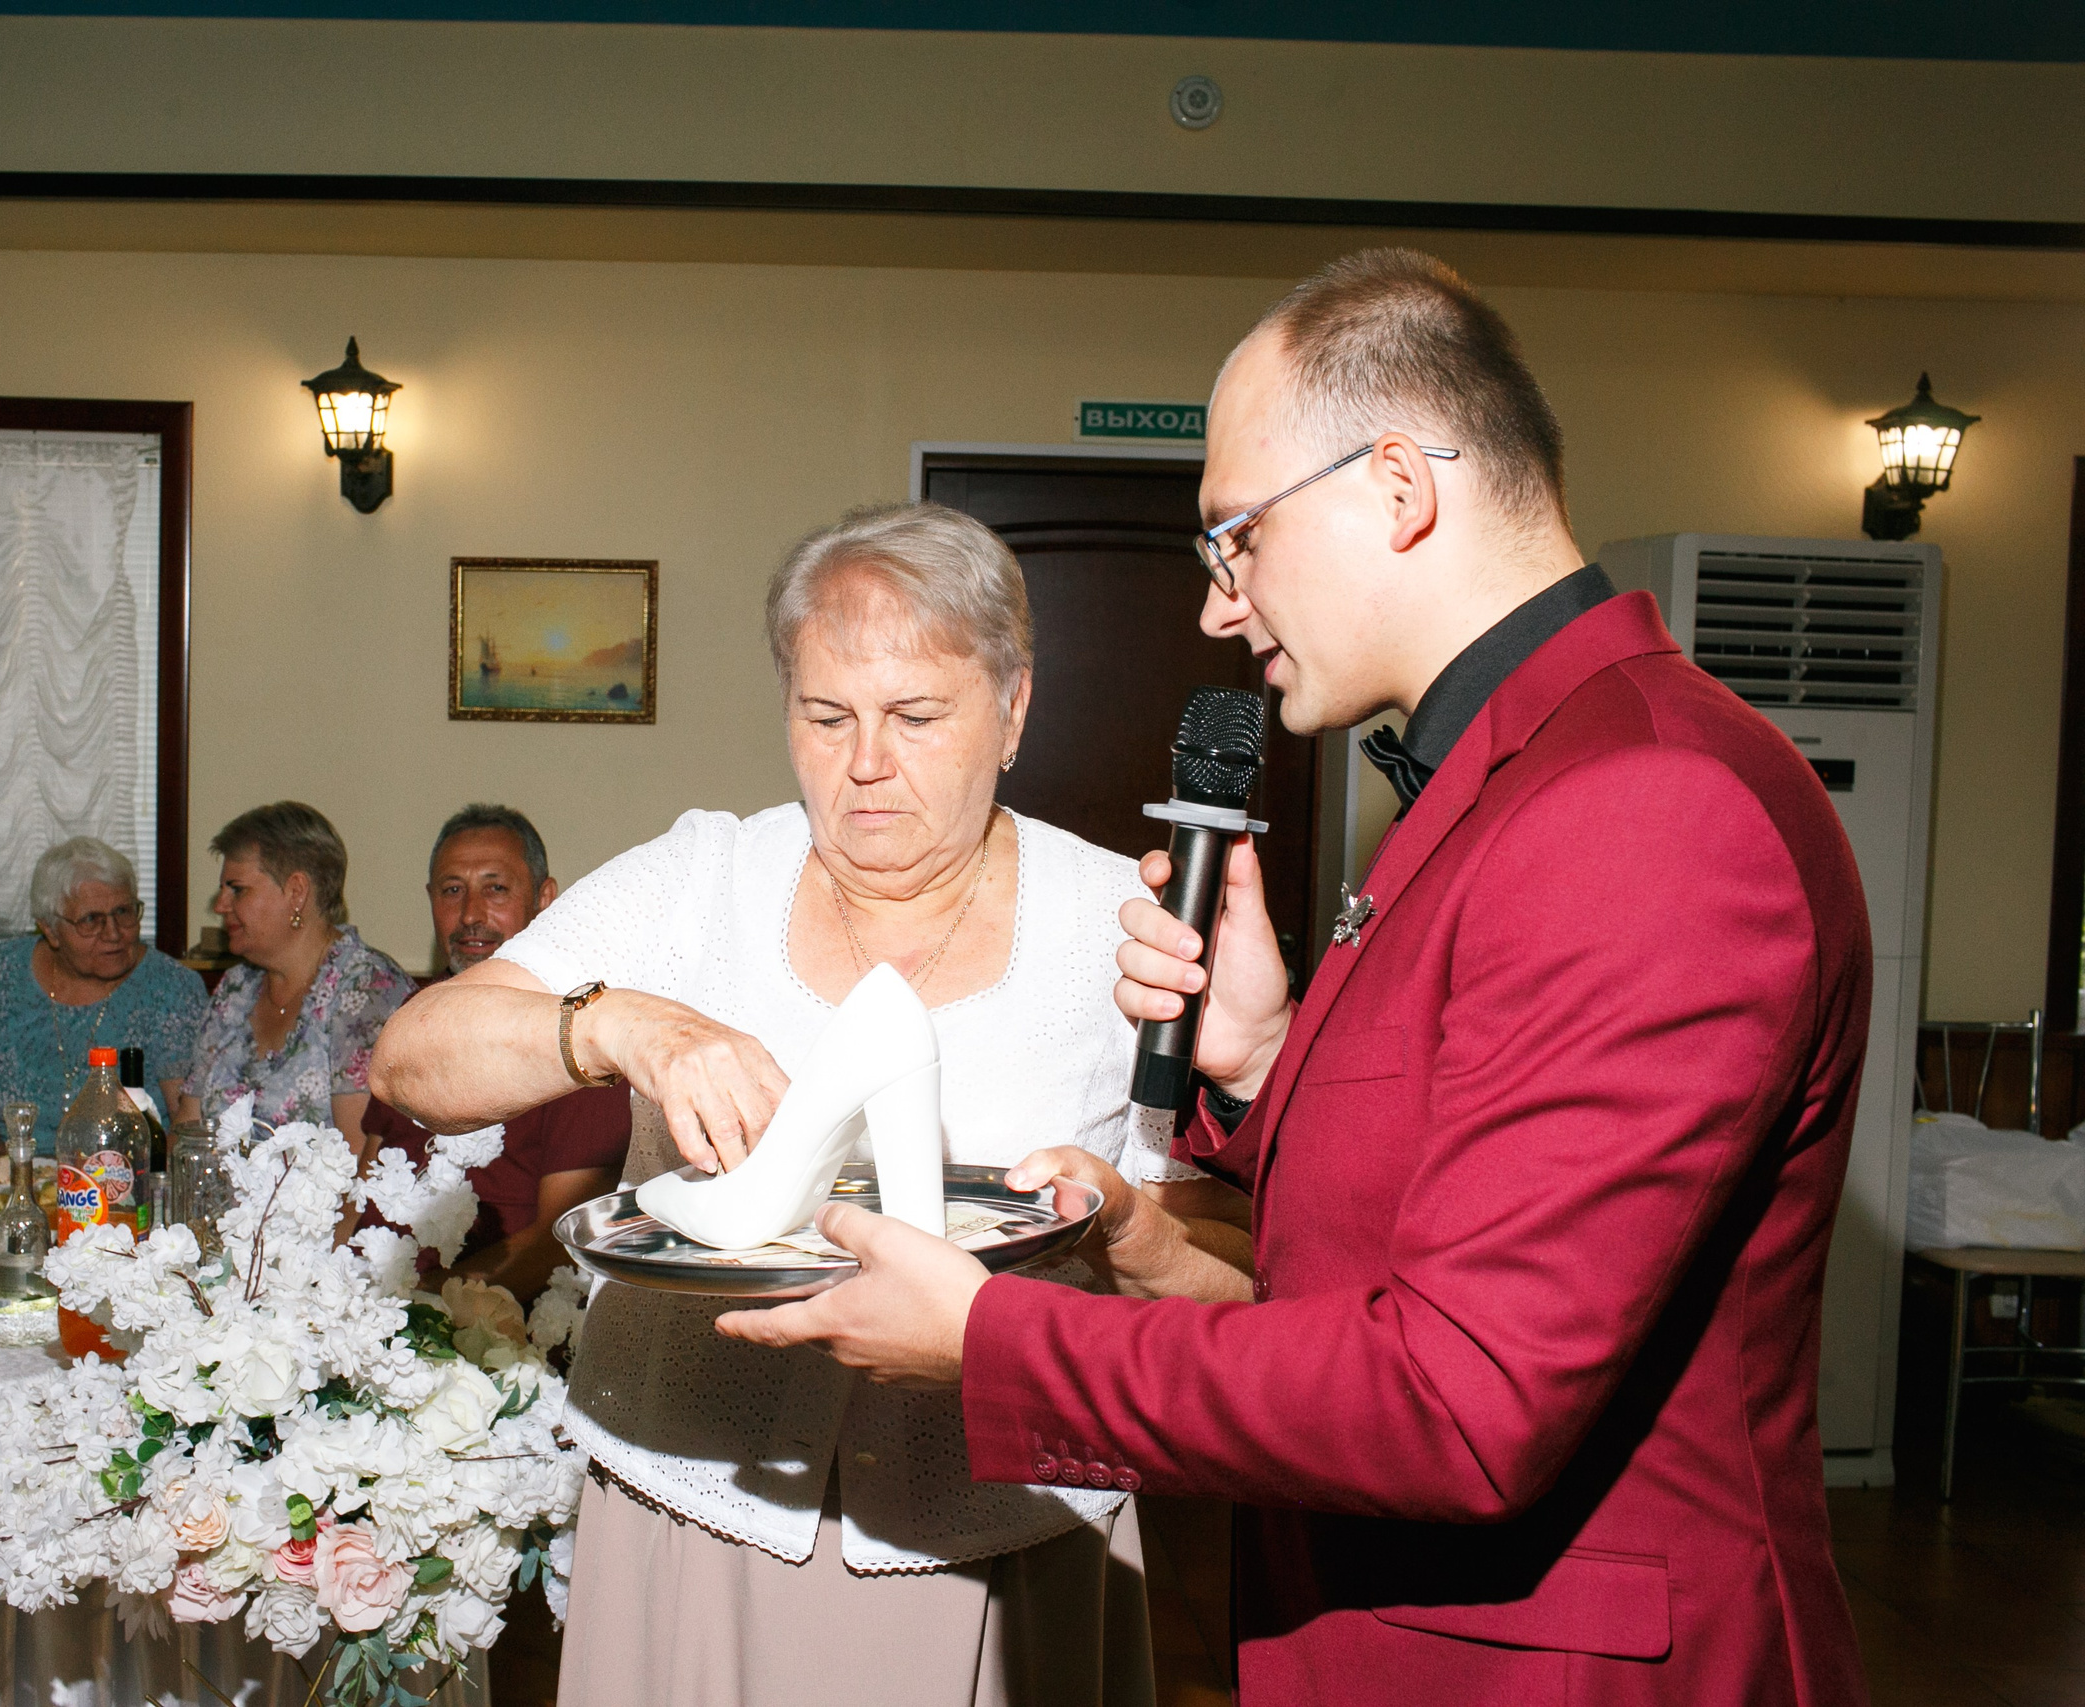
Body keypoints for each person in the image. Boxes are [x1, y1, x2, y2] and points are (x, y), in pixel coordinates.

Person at [724, 249, 1875, 1706]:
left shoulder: (1645, 799)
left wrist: (992, 1335)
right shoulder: (1516, 770)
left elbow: (1459, 1399)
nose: (1220, 604)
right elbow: (1469, 1188)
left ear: (1398, 485)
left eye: (1238, 537)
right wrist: (1265, 1062)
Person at [371, 504, 1240, 1707]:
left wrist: (1125, 1229)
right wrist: (624, 1022)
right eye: (825, 717)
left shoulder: (1124, 929)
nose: (864, 763)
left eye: (916, 718)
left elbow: (1236, 1272)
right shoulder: (702, 879)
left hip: (1003, 1527)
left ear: (1014, 708)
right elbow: (412, 1058)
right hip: (697, 1508)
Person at [360, 804, 630, 1301]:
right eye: (452, 890)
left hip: (488, 1326)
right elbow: (366, 1182)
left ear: (545, 899)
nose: (470, 915)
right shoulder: (418, 1019)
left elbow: (562, 1241)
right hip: (370, 1304)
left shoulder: (580, 1033)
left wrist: (426, 1305)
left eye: (496, 887)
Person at [0, 837, 206, 1151]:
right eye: (91, 920)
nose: (114, 933)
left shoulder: (172, 987)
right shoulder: (2, 969)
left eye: (124, 911)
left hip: (121, 1184)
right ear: (50, 929)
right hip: (15, 1173)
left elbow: (184, 1119)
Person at [178, 801, 416, 1139]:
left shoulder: (367, 991)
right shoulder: (236, 988)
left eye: (237, 889)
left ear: (296, 892)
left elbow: (360, 1159)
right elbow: (188, 1127)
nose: (220, 905)